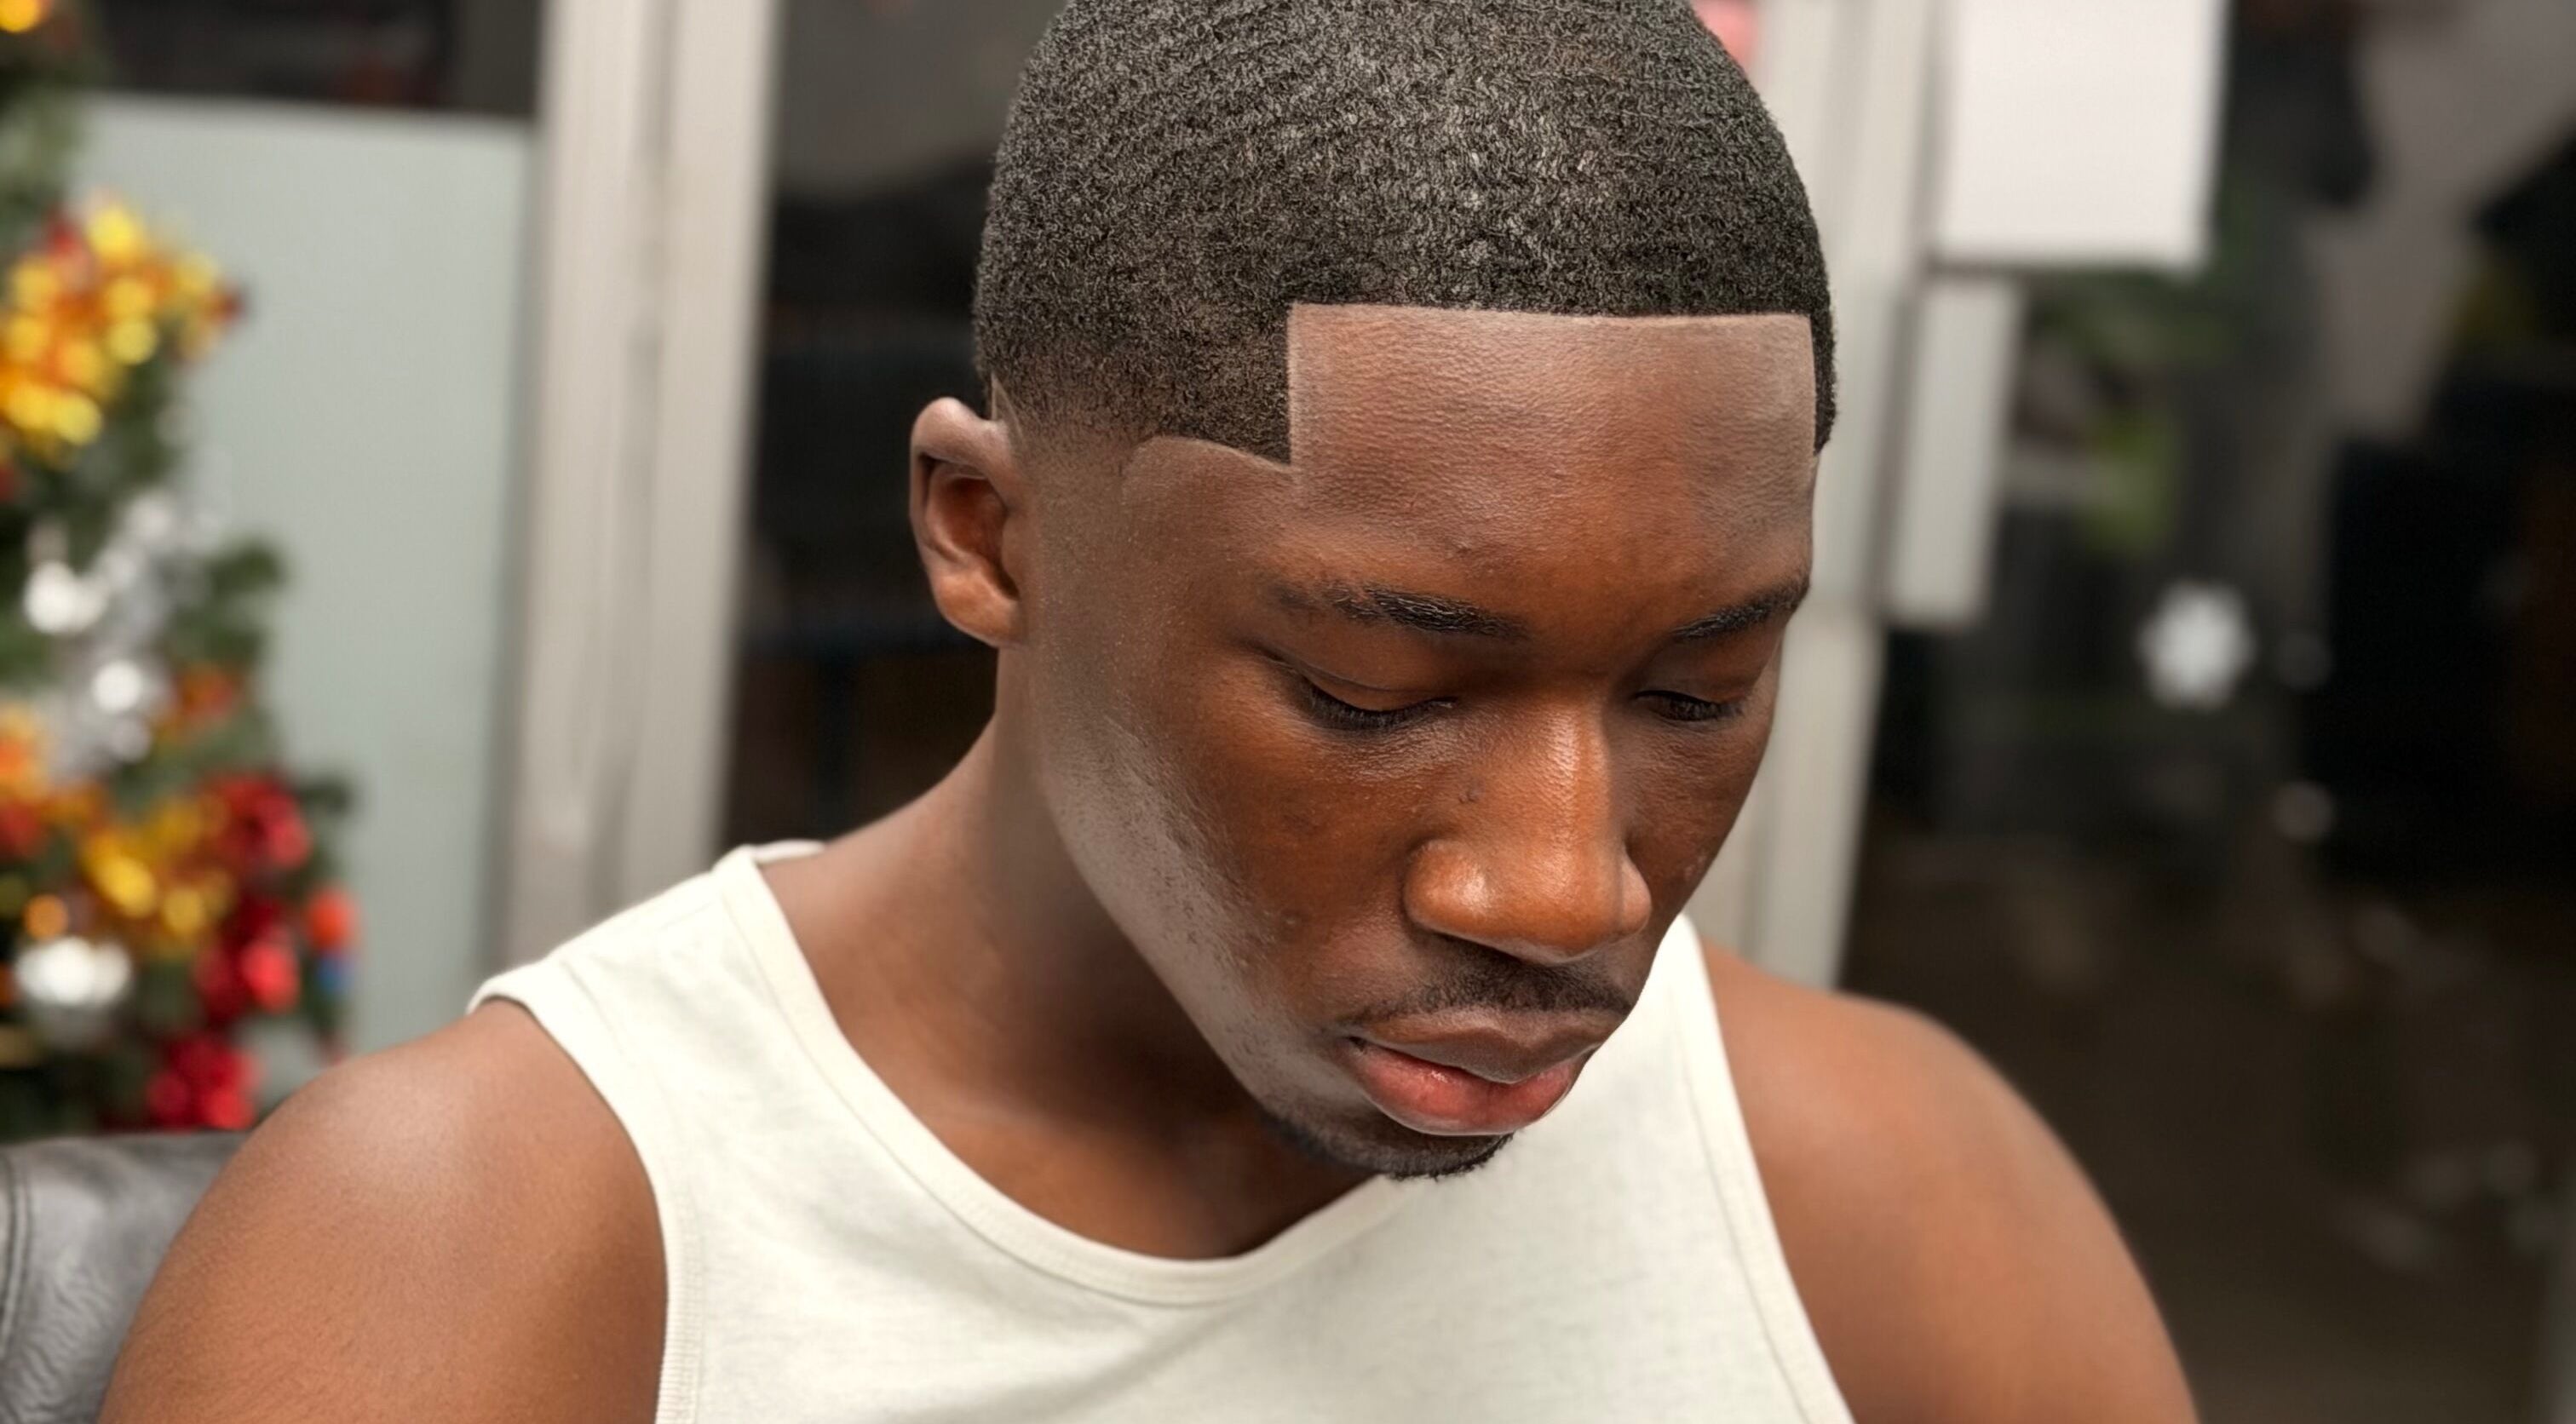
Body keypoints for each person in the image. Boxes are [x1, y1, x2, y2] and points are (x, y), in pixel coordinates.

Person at [104, 2, 2196, 1420]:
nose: (1567, 885)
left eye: (1697, 688)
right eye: (1372, 689)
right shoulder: (487, 1258)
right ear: (989, 536)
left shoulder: (1892, 1211)